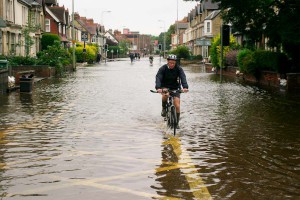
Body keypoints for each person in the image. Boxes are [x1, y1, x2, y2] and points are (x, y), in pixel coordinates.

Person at [155, 54, 189, 129]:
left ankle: (176, 123)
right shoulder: (163, 68)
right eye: (170, 63)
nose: (172, 64)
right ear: (167, 62)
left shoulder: (179, 69)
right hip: (165, 87)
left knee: (177, 105)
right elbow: (158, 77)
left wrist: (185, 87)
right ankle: (164, 108)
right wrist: (158, 88)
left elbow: (183, 77)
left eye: (173, 63)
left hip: (175, 87)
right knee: (165, 95)